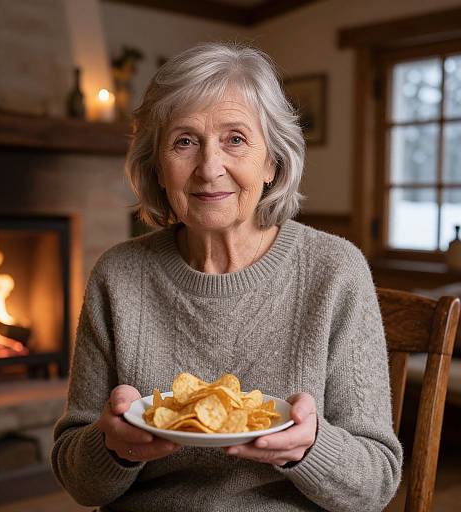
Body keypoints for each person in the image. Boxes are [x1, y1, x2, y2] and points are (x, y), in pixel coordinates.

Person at [51, 41, 402, 511]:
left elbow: (375, 483)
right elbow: (80, 481)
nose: (208, 168)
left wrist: (310, 447)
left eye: (235, 139)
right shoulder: (119, 275)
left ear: (272, 161)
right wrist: (111, 446)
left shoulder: (334, 271)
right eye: (184, 141)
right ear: (157, 167)